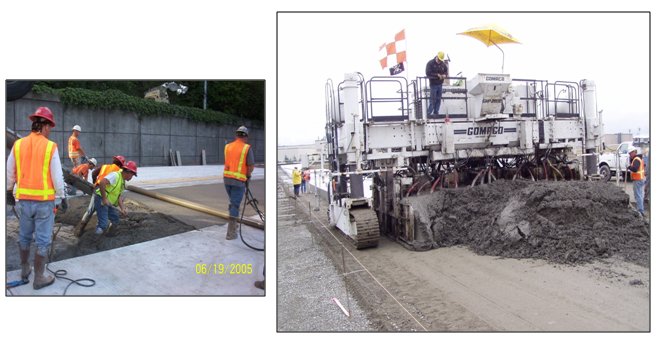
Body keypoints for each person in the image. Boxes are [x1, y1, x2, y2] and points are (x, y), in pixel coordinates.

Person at [6, 106, 66, 290]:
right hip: (44, 204)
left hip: (23, 202)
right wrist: (62, 195)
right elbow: (57, 175)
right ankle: (39, 277)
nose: (50, 131)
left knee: (24, 237)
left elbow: (9, 171)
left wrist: (9, 191)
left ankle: (25, 270)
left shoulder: (18, 144)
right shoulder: (50, 146)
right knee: (42, 240)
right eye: (50, 127)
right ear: (45, 126)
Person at [223, 126, 255, 240]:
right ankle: (231, 233)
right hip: (239, 181)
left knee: (233, 202)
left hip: (227, 179)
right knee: (235, 204)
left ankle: (234, 223)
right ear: (245, 136)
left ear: (236, 135)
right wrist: (248, 176)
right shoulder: (247, 148)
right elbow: (250, 166)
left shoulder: (228, 147)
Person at [94, 161, 138, 235]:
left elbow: (119, 196)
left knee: (115, 219)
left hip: (109, 203)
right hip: (101, 199)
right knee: (103, 225)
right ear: (128, 172)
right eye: (132, 175)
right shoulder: (115, 175)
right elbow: (102, 182)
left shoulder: (122, 181)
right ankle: (93, 240)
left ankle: (110, 236)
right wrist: (104, 199)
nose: (131, 177)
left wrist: (122, 208)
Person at [425, 51, 449, 116]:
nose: (439, 61)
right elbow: (428, 73)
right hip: (433, 84)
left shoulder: (442, 64)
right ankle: (429, 113)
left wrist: (445, 75)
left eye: (441, 60)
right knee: (433, 99)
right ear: (437, 57)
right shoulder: (430, 63)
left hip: (440, 85)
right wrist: (437, 75)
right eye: (439, 60)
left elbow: (446, 71)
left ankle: (436, 113)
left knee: (438, 99)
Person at [628, 146, 646, 217]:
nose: (630, 155)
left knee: (638, 195)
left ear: (634, 152)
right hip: (640, 179)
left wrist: (629, 167)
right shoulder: (639, 158)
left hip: (638, 179)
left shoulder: (636, 159)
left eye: (630, 153)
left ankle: (640, 211)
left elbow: (635, 169)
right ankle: (641, 210)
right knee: (640, 195)